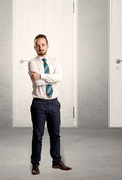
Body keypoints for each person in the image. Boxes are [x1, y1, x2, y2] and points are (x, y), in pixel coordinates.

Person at [28, 34, 72, 175]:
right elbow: (36, 82)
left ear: (47, 45)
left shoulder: (54, 60)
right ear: (34, 47)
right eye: (38, 45)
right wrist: (49, 78)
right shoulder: (32, 62)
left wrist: (41, 75)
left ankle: (56, 162)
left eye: (43, 44)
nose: (40, 47)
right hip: (39, 104)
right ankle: (35, 164)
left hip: (54, 103)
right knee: (38, 135)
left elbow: (60, 77)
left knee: (55, 135)